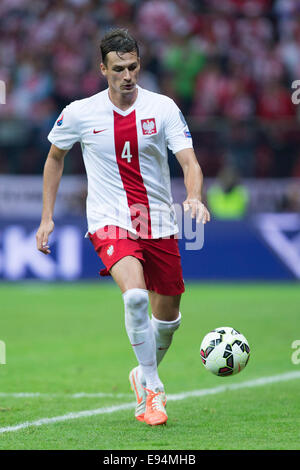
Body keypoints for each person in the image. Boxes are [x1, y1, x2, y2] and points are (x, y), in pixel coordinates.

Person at [36, 28, 210, 426]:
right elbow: (54, 158)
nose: (127, 76)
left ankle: (142, 372)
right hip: (109, 220)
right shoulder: (80, 112)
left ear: (139, 65)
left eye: (132, 67)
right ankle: (153, 389)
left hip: (158, 221)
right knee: (134, 298)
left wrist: (194, 196)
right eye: (118, 69)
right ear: (103, 69)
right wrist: (47, 217)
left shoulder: (163, 107)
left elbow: (189, 162)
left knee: (168, 320)